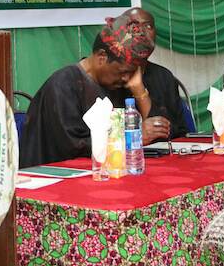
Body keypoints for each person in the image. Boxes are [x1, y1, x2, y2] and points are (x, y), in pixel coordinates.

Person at [18, 14, 172, 167]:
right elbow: (73, 146)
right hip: (57, 177)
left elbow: (160, 134)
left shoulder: (119, 84)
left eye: (131, 73)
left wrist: (139, 91)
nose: (126, 78)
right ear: (102, 57)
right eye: (123, 72)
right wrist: (131, 138)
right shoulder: (63, 84)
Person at [122, 7, 190, 137]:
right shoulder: (110, 76)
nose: (141, 32)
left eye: (147, 26)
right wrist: (136, 135)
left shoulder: (164, 76)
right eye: (133, 26)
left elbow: (179, 131)